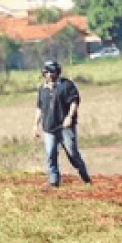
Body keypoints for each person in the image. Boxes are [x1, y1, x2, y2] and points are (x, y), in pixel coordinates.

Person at [33, 60, 92, 188]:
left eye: (51, 72)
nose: (48, 75)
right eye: (46, 72)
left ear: (57, 72)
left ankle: (85, 178)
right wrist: (35, 125)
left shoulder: (67, 85)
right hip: (49, 128)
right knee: (50, 154)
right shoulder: (42, 89)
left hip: (65, 127)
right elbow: (39, 108)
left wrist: (70, 117)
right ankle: (54, 182)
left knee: (72, 154)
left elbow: (74, 102)